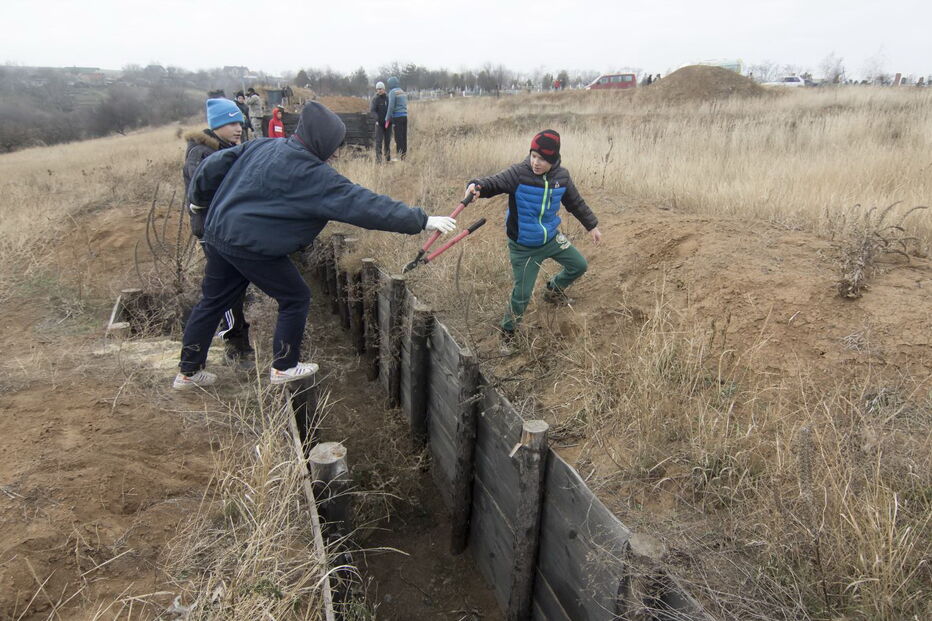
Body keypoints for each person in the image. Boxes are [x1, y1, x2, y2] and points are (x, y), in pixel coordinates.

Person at [173, 102, 457, 390]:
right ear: (319, 140)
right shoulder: (314, 175)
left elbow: (213, 166)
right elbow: (366, 204)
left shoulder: (264, 146)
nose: (335, 153)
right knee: (295, 297)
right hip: (250, 246)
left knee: (212, 302)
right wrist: (422, 220)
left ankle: (188, 372)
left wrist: (198, 202)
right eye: (334, 145)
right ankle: (284, 366)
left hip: (219, 234)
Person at [464, 129, 602, 353]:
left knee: (579, 265)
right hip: (524, 246)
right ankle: (507, 333)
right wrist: (477, 186)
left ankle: (553, 290)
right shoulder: (519, 174)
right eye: (533, 156)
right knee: (522, 295)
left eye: (543, 159)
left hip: (550, 238)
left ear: (554, 159)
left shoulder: (562, 178)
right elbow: (494, 183)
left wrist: (592, 226)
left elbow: (575, 202)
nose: (536, 163)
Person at [181, 98, 255, 369]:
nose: (239, 128)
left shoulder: (223, 149)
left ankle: (235, 342)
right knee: (222, 294)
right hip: (214, 233)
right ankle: (236, 346)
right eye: (232, 123)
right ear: (217, 125)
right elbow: (208, 193)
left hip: (226, 230)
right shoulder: (201, 155)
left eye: (240, 123)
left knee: (229, 289)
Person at [384, 76, 408, 159]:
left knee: (398, 138)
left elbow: (391, 106)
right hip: (405, 116)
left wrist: (387, 118)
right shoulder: (402, 91)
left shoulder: (392, 92)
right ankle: (404, 156)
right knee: (404, 137)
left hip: (397, 117)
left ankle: (399, 156)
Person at [369, 81, 390, 162]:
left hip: (388, 123)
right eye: (377, 89)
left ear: (384, 89)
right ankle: (378, 160)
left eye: (380, 89)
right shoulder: (375, 99)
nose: (379, 90)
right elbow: (372, 110)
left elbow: (390, 109)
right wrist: (377, 119)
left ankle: (388, 159)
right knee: (378, 142)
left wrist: (390, 120)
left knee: (387, 142)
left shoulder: (388, 98)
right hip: (379, 124)